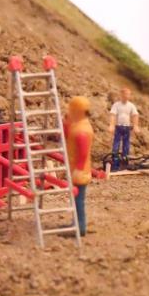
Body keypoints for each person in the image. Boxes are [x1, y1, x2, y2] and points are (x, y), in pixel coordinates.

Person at [64, 96, 93, 236]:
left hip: (80, 171)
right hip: (75, 168)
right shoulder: (77, 125)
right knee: (76, 199)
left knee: (78, 200)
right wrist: (65, 123)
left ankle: (80, 226)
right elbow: (66, 135)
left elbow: (83, 152)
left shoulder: (82, 130)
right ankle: (76, 222)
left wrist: (79, 169)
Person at [109, 87, 140, 171]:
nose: (127, 96)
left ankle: (124, 163)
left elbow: (135, 115)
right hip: (118, 127)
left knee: (126, 145)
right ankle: (115, 164)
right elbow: (113, 115)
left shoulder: (131, 106)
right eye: (125, 94)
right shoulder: (116, 105)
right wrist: (111, 125)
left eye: (128, 94)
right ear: (121, 95)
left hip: (127, 128)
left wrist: (136, 125)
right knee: (116, 144)